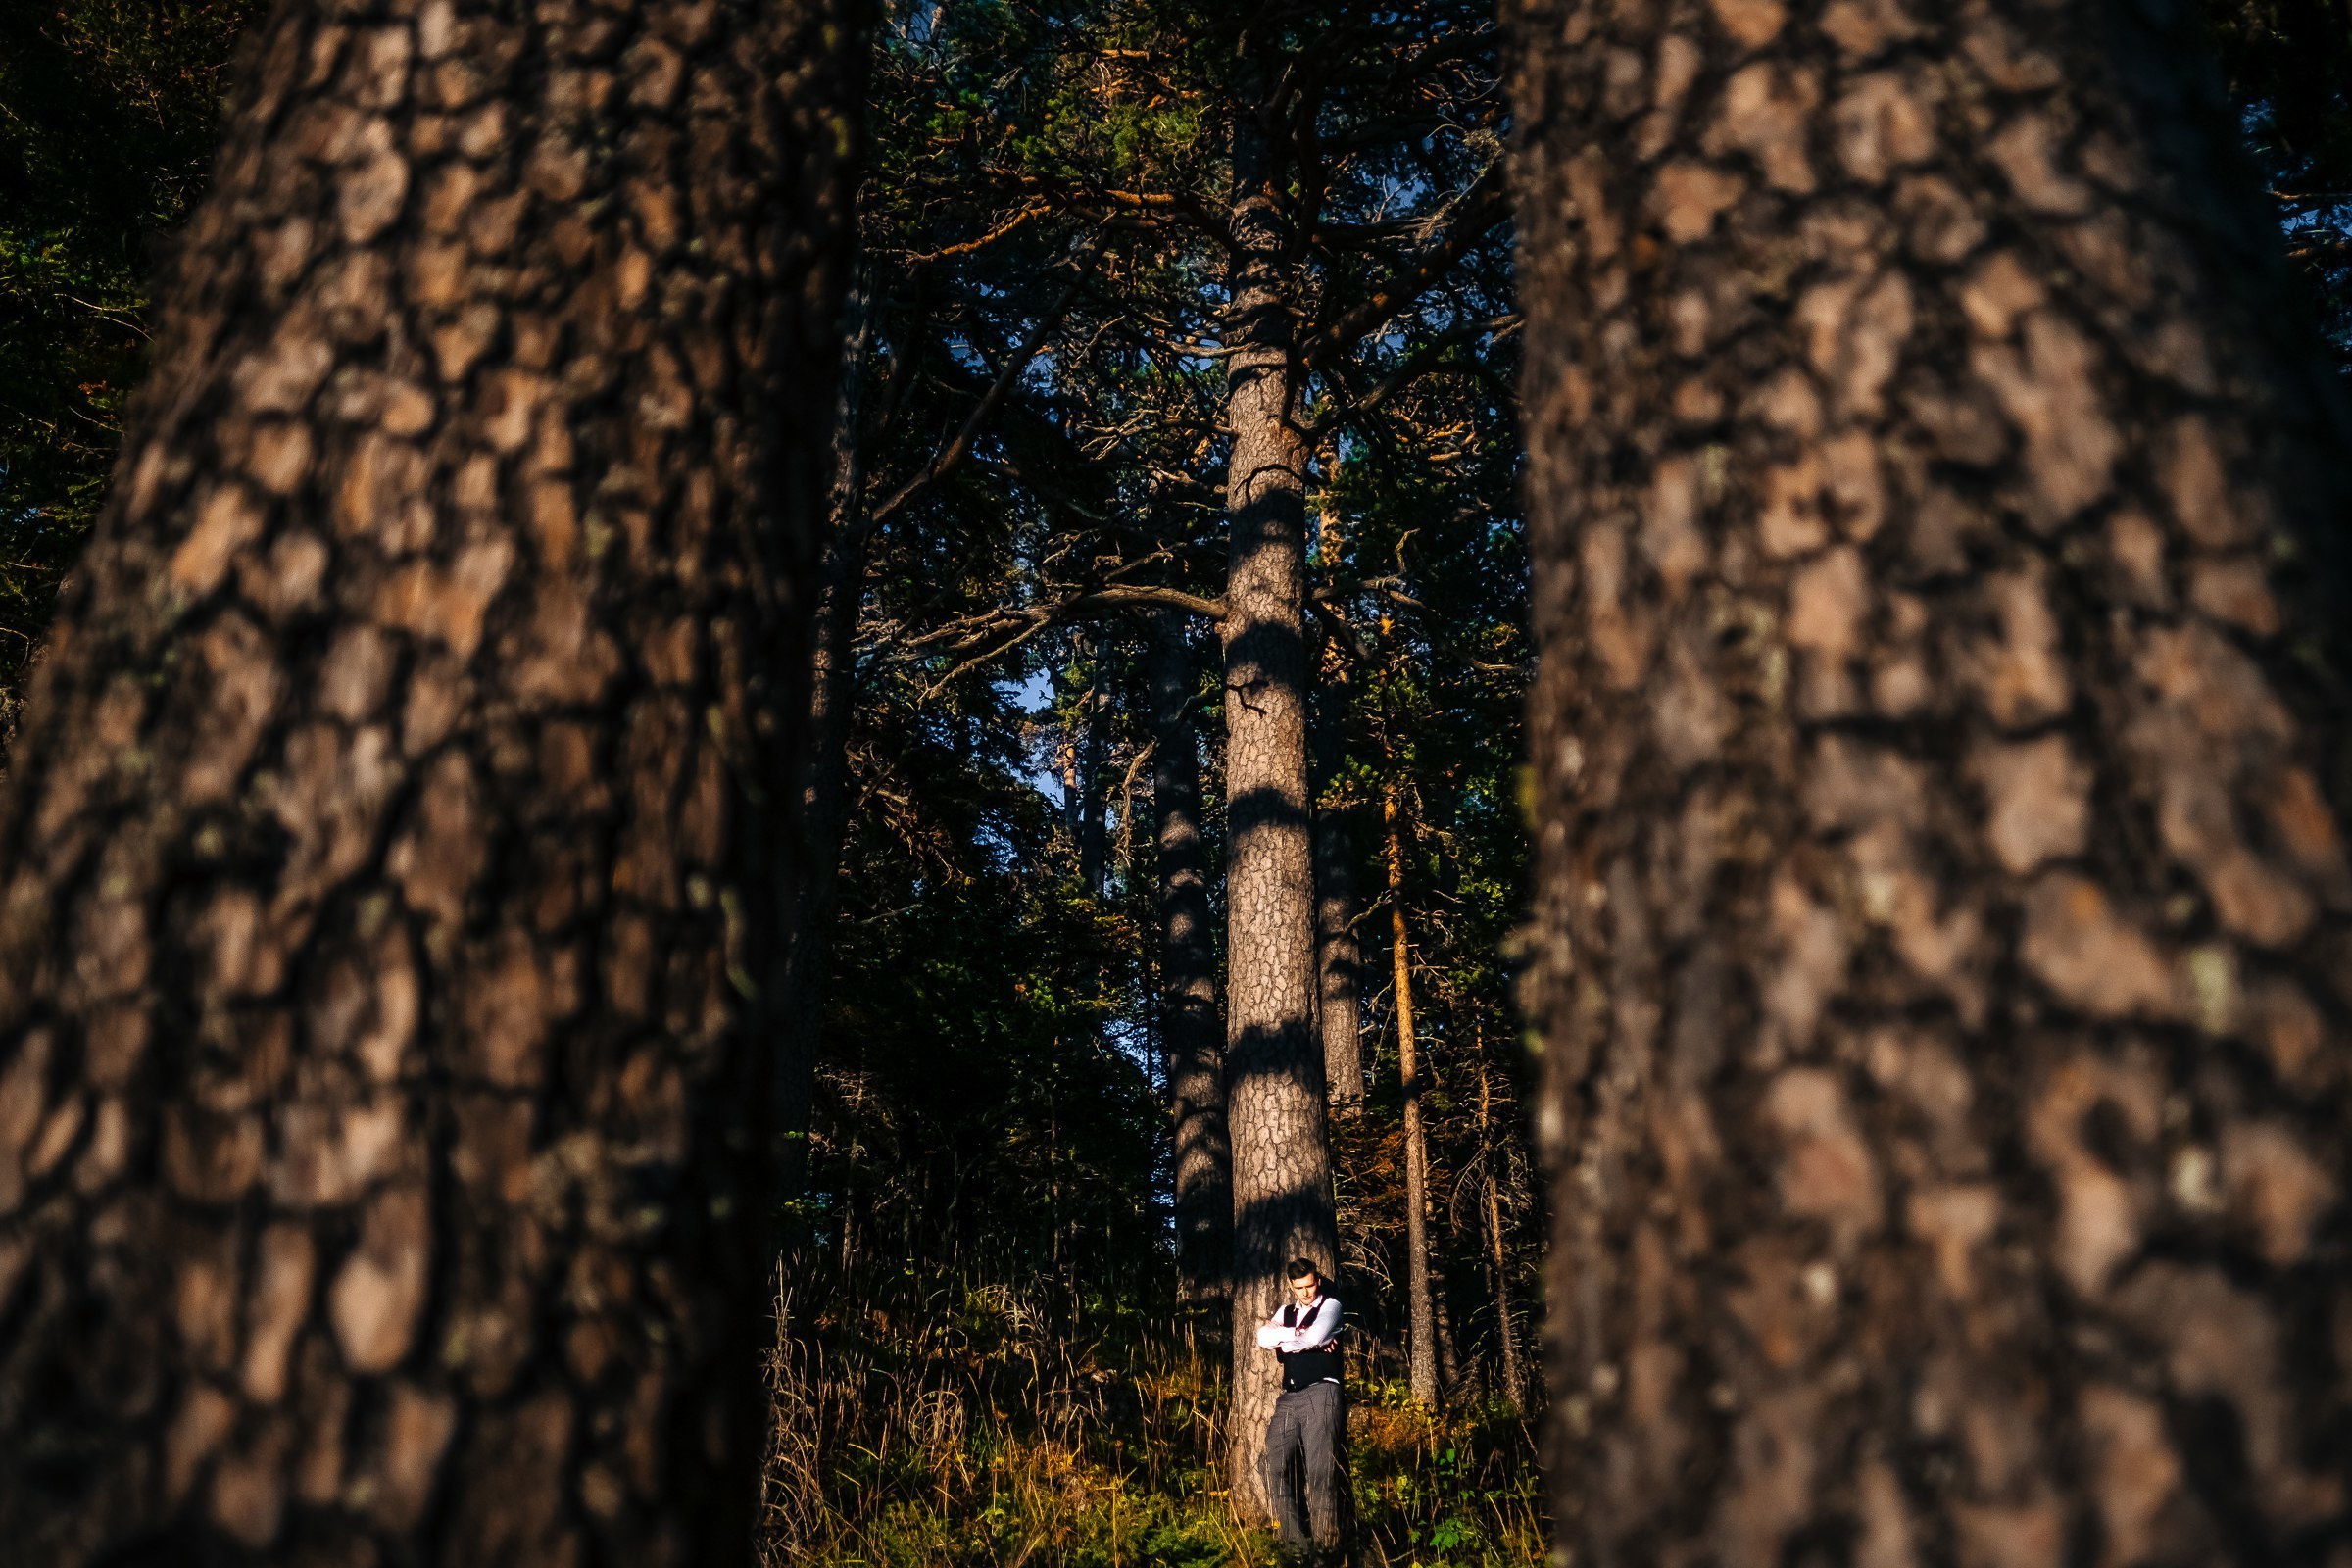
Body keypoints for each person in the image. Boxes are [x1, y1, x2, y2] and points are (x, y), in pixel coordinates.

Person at [1253, 1257, 1347, 1557]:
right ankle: (1295, 1546)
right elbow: (1263, 1337)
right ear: (1291, 1286)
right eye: (1300, 1287)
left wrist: (1293, 1340)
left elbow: (1317, 1335)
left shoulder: (1331, 1306)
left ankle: (1325, 1551)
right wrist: (1296, 1337)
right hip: (1289, 1397)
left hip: (1322, 1391)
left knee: (1320, 1473)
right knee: (1271, 1465)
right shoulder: (1286, 1311)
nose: (1306, 1292)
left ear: (1317, 1280)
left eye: (1310, 1285)